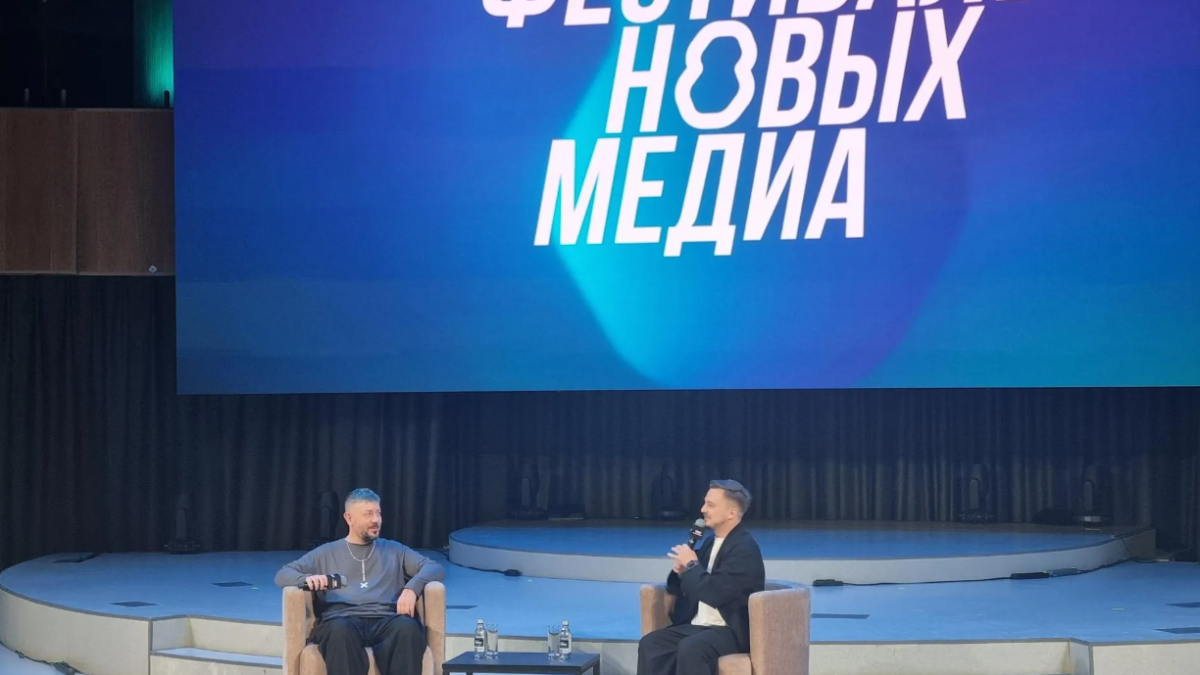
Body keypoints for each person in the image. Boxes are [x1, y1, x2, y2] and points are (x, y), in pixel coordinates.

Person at [275, 488, 445, 675]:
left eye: (378, 513)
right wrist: (307, 579)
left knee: (407, 628)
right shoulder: (326, 552)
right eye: (368, 514)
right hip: (342, 619)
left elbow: (434, 567)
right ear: (349, 518)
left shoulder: (395, 550)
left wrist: (412, 588)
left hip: (387, 618)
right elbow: (283, 574)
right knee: (339, 632)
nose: (376, 520)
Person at [637, 479, 766, 675]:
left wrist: (691, 565)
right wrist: (681, 572)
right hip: (699, 626)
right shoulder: (709, 543)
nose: (703, 509)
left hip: (729, 630)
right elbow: (688, 585)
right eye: (705, 503)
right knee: (651, 644)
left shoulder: (744, 549)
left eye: (710, 505)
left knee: (692, 648)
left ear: (731, 513)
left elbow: (714, 592)